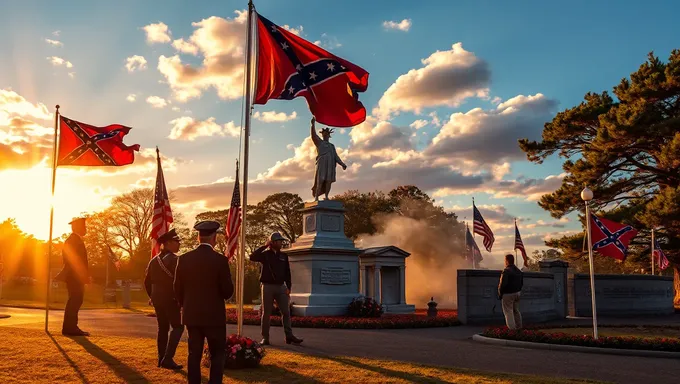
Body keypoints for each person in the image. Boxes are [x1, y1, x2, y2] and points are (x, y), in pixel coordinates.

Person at [174, 220, 234, 384]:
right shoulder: (220, 260)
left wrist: (185, 304)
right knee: (217, 354)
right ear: (214, 237)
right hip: (214, 316)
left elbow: (177, 288)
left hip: (192, 314)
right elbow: (227, 291)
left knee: (194, 354)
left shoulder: (184, 259)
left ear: (198, 238)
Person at [249, 232, 303, 346]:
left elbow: (287, 273)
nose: (281, 243)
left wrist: (289, 287)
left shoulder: (283, 256)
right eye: (278, 241)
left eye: (281, 241)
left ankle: (289, 336)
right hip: (267, 286)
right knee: (266, 313)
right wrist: (265, 245)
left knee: (286, 312)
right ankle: (265, 337)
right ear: (272, 243)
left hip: (281, 286)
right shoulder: (265, 254)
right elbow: (252, 257)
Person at [144, 228, 184, 370]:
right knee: (178, 327)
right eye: (176, 242)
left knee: (163, 328)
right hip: (171, 299)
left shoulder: (153, 261)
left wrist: (153, 296)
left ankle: (161, 358)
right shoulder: (175, 260)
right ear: (167, 243)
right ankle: (167, 358)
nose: (179, 245)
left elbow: (147, 282)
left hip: (157, 299)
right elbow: (180, 282)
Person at [55, 217, 90, 336]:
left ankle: (71, 327)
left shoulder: (75, 240)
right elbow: (73, 260)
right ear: (77, 227)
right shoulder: (73, 240)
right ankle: (70, 328)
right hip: (74, 276)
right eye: (84, 227)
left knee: (76, 300)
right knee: (75, 300)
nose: (86, 229)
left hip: (75, 276)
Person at [310, 117, 347, 201]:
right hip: (322, 163)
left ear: (329, 135)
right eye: (324, 134)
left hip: (330, 164)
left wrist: (342, 164)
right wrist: (313, 125)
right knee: (321, 179)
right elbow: (313, 135)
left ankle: (326, 196)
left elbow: (336, 157)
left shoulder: (331, 146)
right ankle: (316, 197)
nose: (325, 135)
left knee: (328, 181)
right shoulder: (319, 143)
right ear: (322, 135)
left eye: (327, 134)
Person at [498, 253, 523, 330]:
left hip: (508, 294)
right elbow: (521, 283)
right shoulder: (519, 271)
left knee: (508, 312)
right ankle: (519, 327)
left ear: (507, 261)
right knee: (516, 310)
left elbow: (503, 284)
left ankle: (512, 330)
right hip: (517, 293)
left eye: (505, 260)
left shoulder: (506, 271)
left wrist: (500, 293)